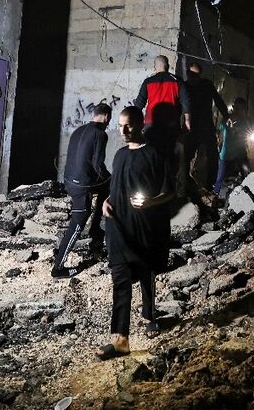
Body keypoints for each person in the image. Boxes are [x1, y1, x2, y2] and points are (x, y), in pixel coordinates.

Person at [97, 106, 174, 359]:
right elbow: (116, 186)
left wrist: (151, 202)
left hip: (142, 229)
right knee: (120, 282)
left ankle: (150, 314)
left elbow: (171, 191)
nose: (123, 130)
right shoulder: (118, 155)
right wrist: (107, 201)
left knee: (145, 272)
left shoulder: (154, 154)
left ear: (140, 124)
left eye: (128, 125)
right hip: (117, 229)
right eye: (120, 126)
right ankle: (120, 340)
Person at [52, 103, 111, 279]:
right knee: (77, 224)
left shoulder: (79, 130)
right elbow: (97, 165)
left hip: (69, 180)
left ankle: (96, 227)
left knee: (105, 186)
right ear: (106, 117)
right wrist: (111, 178)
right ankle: (58, 268)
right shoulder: (101, 134)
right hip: (82, 186)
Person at [184, 62, 229, 190]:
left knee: (213, 156)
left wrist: (226, 115)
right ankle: (187, 184)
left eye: (196, 75)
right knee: (187, 156)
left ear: (200, 75)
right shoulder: (185, 86)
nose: (194, 77)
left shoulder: (207, 85)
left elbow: (218, 100)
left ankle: (211, 186)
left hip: (206, 127)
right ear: (188, 74)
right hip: (191, 128)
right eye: (192, 74)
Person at [134, 55, 191, 130]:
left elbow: (139, 103)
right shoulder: (178, 81)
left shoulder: (148, 82)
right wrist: (187, 121)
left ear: (154, 67)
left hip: (151, 123)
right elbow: (186, 102)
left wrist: (134, 122)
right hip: (171, 123)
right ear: (168, 66)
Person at [213, 97, 251, 195]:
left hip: (239, 151)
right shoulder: (226, 119)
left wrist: (236, 130)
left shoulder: (244, 121)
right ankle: (215, 195)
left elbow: (246, 133)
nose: (238, 111)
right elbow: (220, 132)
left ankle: (249, 194)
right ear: (233, 107)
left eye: (241, 109)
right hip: (226, 152)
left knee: (246, 174)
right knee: (220, 178)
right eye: (236, 108)